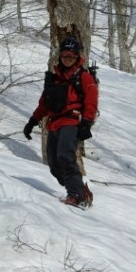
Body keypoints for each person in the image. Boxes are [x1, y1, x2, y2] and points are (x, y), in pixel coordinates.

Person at [23, 36, 98, 207]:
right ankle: (79, 189)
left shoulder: (84, 77)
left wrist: (86, 122)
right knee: (54, 164)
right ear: (60, 56)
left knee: (65, 156)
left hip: (72, 121)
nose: (67, 59)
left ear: (77, 57)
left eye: (71, 56)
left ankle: (77, 195)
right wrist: (32, 121)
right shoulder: (54, 78)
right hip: (54, 123)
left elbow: (91, 101)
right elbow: (44, 103)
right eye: (64, 55)